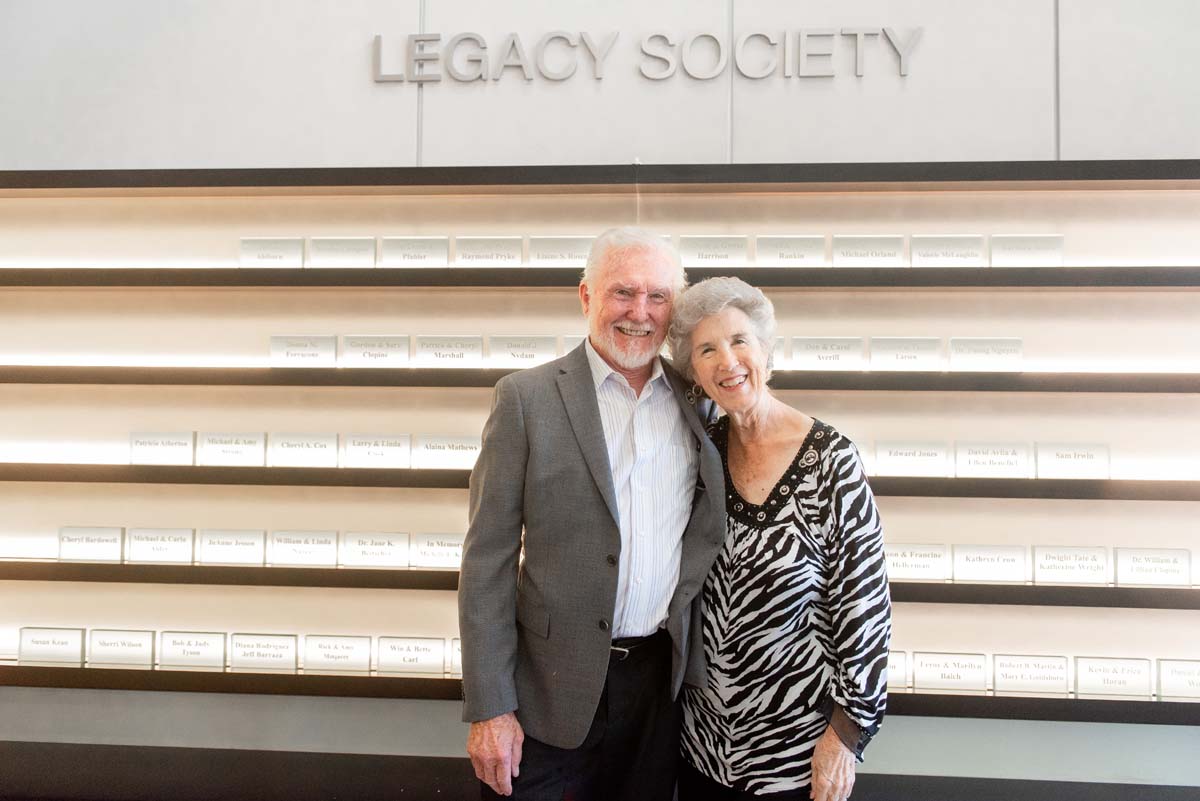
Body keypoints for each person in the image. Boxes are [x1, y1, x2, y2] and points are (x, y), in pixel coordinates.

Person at [458, 227, 726, 801]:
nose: (640, 312)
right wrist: (490, 707)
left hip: (658, 694)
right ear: (586, 297)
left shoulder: (698, 400)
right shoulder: (525, 400)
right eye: (623, 293)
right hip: (546, 694)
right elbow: (487, 562)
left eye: (657, 296)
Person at [666, 277, 891, 801]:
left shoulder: (832, 461)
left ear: (766, 350)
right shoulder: (702, 454)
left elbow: (866, 613)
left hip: (797, 755)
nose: (728, 360)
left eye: (740, 340)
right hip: (702, 747)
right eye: (707, 348)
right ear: (693, 373)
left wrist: (846, 737)